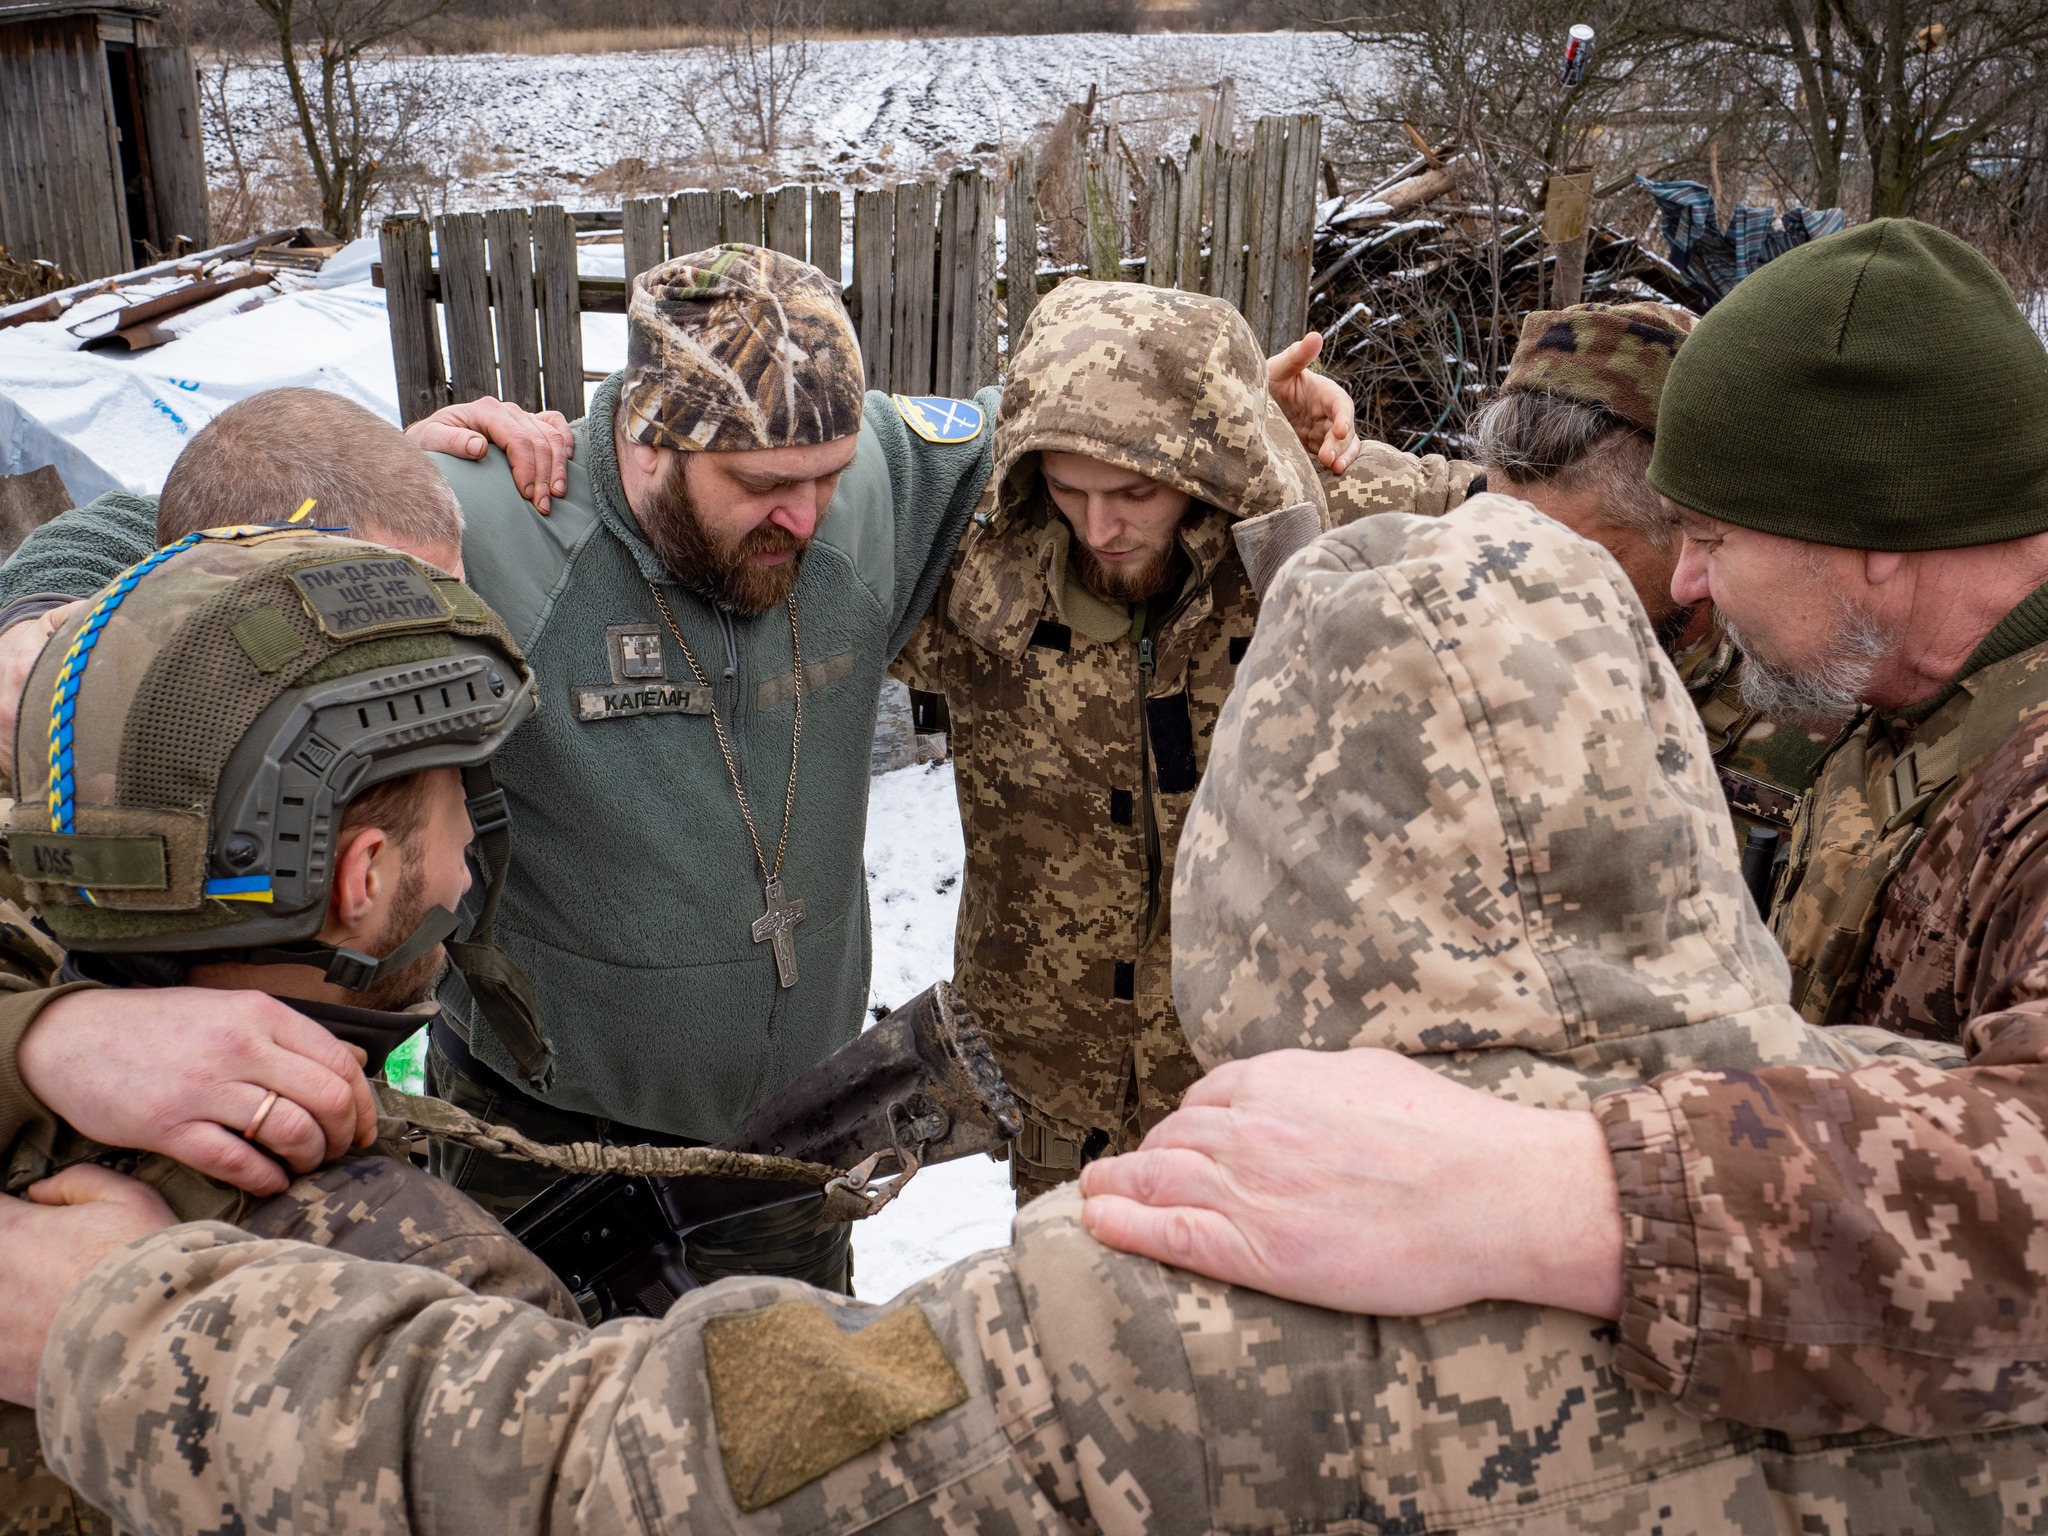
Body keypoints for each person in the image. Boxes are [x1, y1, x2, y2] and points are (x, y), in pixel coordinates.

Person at [8, 495, 2043, 1535]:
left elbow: (596, 1469)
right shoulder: (1933, 1192)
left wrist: (122, 1322)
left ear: (1272, 843)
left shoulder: (1165, 1314)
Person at [0, 244, 1362, 1292]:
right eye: (763, 486)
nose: (808, 515)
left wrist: (1243, 415)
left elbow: (1063, 407)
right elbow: (155, 526)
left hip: (794, 1152)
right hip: (554, 1150)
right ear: (649, 442)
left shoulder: (869, 479)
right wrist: (36, 625)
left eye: (827, 475)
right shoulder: (492, 521)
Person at [1081, 217, 2048, 1443]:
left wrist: (1541, 1194)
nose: (1683, 587)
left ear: (1873, 536)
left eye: (1707, 539)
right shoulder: (1902, 681)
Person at [0, 515, 577, 1532]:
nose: (469, 858)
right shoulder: (433, 1279)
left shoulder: (38, 1070)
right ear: (361, 880)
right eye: (456, 805)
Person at [890, 279, 1326, 1199]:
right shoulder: (972, 583)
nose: (1100, 527)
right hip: (1052, 1091)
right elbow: (817, 468)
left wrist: (1282, 424)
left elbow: (1557, 503)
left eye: (1135, 491)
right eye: (1066, 489)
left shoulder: (1309, 549)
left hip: (1245, 1085)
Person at [1472, 300, 1835, 870]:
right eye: (1496, 547)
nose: (1517, 599)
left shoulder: (1816, 707)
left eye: (1577, 566)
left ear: (1691, 528)